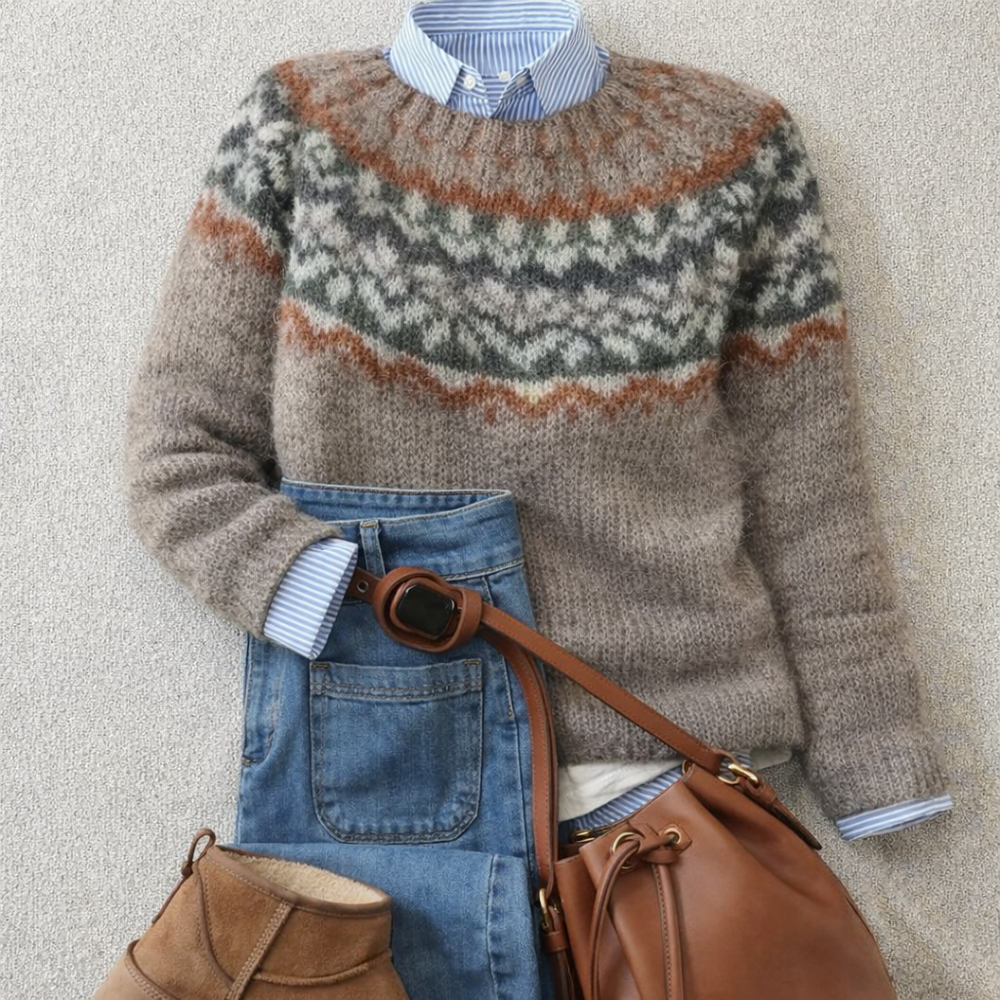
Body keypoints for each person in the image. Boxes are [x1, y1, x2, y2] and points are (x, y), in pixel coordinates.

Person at [124, 2, 952, 997]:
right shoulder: (300, 123)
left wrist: (876, 756)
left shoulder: (734, 151)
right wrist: (352, 600)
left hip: (662, 788)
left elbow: (809, 489)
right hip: (381, 789)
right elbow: (179, 456)